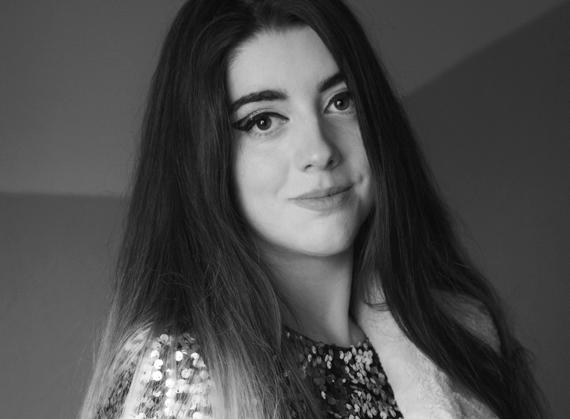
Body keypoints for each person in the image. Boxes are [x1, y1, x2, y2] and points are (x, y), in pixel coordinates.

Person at [80, 0, 546, 418]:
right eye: (263, 121)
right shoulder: (181, 370)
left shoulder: (460, 337)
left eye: (341, 101)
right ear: (200, 159)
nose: (320, 151)